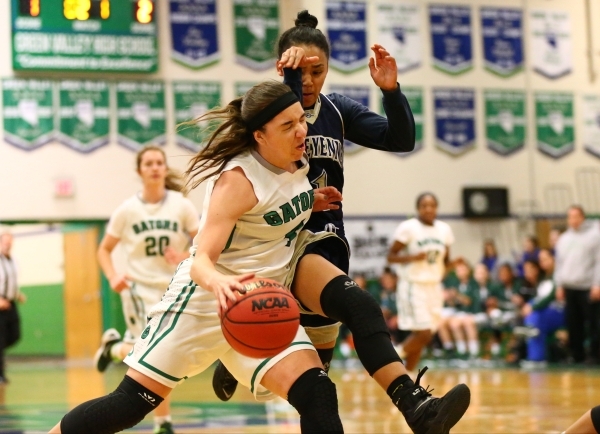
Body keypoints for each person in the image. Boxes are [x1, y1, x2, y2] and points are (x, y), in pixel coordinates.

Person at [213, 11, 471, 433]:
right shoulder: (266, 112)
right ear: (283, 68)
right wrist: (289, 82)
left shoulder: (338, 111)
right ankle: (415, 407)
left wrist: (391, 92)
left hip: (329, 243)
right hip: (283, 242)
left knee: (318, 384)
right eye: (302, 72)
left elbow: (401, 139)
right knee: (361, 307)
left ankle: (245, 349)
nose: (310, 81)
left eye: (319, 71)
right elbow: (284, 115)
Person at [51, 80, 354, 434]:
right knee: (130, 403)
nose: (301, 130)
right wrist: (220, 282)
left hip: (258, 305)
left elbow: (276, 203)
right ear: (260, 136)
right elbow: (200, 261)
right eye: (287, 126)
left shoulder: (296, 160)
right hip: (203, 303)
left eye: (301, 120)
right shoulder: (238, 180)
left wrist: (311, 201)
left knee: (317, 391)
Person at [93, 146, 200, 434]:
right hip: (139, 290)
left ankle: (113, 347)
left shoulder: (181, 204)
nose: (154, 168)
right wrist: (112, 275)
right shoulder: (127, 209)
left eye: (159, 163)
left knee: (164, 353)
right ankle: (163, 423)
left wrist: (186, 256)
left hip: (174, 288)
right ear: (140, 170)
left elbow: (203, 242)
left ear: (165, 169)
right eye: (149, 163)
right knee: (152, 353)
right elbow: (104, 249)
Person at [387, 193, 457, 372]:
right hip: (414, 285)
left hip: (434, 287)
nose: (428, 209)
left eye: (432, 205)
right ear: (418, 208)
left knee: (423, 335)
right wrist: (413, 257)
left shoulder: (444, 230)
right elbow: (391, 257)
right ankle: (392, 356)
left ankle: (409, 378)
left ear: (437, 208)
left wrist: (455, 264)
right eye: (424, 205)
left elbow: (444, 262)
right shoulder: (408, 228)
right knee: (424, 334)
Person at [554, 205, 600, 364]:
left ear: (582, 217)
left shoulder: (594, 235)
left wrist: (597, 284)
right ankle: (576, 354)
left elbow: (598, 262)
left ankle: (595, 355)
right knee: (573, 324)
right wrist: (559, 284)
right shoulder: (564, 238)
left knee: (594, 324)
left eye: (576, 216)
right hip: (569, 287)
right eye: (570, 216)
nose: (573, 220)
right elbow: (559, 264)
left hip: (588, 286)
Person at [516, 250, 565, 368]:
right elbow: (538, 297)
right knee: (536, 319)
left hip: (558, 311)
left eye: (546, 259)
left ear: (553, 258)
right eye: (541, 260)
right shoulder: (542, 279)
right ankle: (534, 354)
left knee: (536, 318)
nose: (543, 263)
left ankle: (538, 358)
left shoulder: (559, 275)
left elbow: (550, 296)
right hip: (543, 312)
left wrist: (532, 306)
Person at [0, 232, 26, 384]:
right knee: (0, 340)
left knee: (15, 335)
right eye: (5, 241)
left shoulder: (14, 260)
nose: (8, 243)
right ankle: (1, 374)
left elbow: (11, 282)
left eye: (10, 241)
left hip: (11, 303)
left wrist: (17, 294)